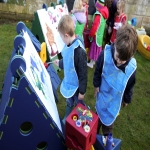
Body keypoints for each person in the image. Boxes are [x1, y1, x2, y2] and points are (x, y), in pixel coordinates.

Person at [93, 24, 138, 136]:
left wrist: (127, 99)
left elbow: (129, 85)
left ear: (131, 55)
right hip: (102, 94)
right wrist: (96, 85)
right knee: (96, 120)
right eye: (117, 56)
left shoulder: (131, 69)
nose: (118, 61)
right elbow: (98, 70)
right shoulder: (105, 54)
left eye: (123, 60)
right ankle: (93, 135)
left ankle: (105, 139)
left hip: (114, 100)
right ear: (115, 42)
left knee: (108, 128)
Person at [53, 15, 87, 124]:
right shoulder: (68, 45)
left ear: (66, 35)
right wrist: (60, 63)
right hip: (69, 82)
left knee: (79, 103)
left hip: (77, 86)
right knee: (69, 100)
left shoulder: (79, 52)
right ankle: (67, 115)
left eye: (61, 37)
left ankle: (83, 119)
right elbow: (68, 61)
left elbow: (83, 74)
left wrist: (82, 91)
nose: (62, 40)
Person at [87, 0, 109, 68]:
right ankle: (94, 61)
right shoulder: (104, 13)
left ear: (98, 6)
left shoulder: (98, 15)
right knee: (97, 49)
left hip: (96, 36)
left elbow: (94, 27)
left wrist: (90, 34)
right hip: (100, 35)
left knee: (94, 49)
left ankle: (91, 63)